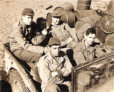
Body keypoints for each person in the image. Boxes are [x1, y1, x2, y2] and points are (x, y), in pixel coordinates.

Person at [8, 8, 48, 81]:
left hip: (27, 45)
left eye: (32, 18)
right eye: (28, 18)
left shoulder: (31, 24)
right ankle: (37, 77)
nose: (30, 20)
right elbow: (26, 46)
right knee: (38, 55)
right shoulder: (17, 28)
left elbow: (37, 31)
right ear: (23, 17)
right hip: (18, 49)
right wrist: (43, 49)